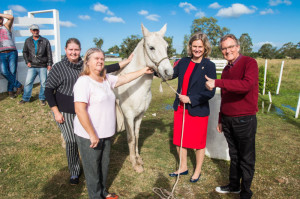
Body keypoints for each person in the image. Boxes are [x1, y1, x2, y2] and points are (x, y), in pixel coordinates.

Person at [45, 38, 133, 185]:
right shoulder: (58, 67)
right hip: (66, 111)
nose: (73, 52)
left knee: (85, 142)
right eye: (70, 49)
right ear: (65, 50)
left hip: (87, 110)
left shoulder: (85, 64)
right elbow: (48, 91)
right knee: (72, 141)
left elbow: (107, 69)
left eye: (76, 49)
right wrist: (56, 111)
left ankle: (91, 170)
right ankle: (74, 172)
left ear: (80, 51)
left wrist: (127, 61)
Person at [73, 47, 153, 199]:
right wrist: (92, 134)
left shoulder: (106, 79)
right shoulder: (83, 82)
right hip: (90, 136)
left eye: (102, 58)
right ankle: (95, 196)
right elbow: (79, 110)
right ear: (87, 62)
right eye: (96, 58)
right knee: (93, 170)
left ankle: (103, 192)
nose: (100, 61)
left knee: (104, 166)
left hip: (106, 134)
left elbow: (124, 79)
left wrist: (142, 71)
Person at [205, 34, 258, 199]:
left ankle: (246, 192)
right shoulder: (227, 69)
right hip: (228, 119)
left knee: (246, 157)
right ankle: (234, 185)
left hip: (244, 118)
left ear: (238, 47)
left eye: (230, 47)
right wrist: (221, 118)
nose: (228, 51)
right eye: (224, 48)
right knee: (234, 155)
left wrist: (217, 82)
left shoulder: (249, 63)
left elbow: (246, 85)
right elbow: (226, 96)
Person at [169, 32, 216, 183]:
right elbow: (170, 75)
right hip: (180, 109)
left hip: (198, 109)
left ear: (205, 48)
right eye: (194, 46)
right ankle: (183, 167)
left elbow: (211, 92)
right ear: (190, 47)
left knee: (198, 143)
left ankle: (197, 171)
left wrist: (190, 99)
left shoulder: (209, 66)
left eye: (200, 47)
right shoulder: (182, 62)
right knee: (179, 140)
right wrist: (155, 70)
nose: (197, 49)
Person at [19, 24, 53, 105]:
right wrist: (27, 62)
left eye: (36, 30)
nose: (35, 32)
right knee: (28, 82)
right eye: (33, 30)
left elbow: (49, 53)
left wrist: (49, 64)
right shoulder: (27, 41)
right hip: (32, 66)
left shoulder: (45, 41)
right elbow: (25, 52)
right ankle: (25, 98)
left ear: (39, 30)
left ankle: (42, 98)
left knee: (44, 83)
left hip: (42, 65)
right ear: (31, 31)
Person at [0, 13, 23, 98]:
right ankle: (19, 86)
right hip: (1, 54)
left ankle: (10, 91)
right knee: (4, 72)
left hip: (12, 52)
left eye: (0, 18)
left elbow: (11, 17)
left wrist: (0, 14)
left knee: (12, 72)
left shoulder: (6, 26)